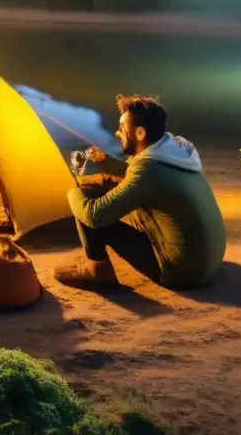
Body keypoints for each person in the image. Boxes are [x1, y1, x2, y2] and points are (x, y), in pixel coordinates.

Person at [55, 94, 226, 291]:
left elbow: (94, 216)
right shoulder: (173, 153)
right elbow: (139, 178)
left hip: (181, 271)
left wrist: (71, 188)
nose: (117, 133)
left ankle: (97, 270)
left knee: (87, 200)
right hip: (206, 261)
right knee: (112, 191)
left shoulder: (148, 170)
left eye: (122, 127)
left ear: (140, 133)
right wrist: (105, 162)